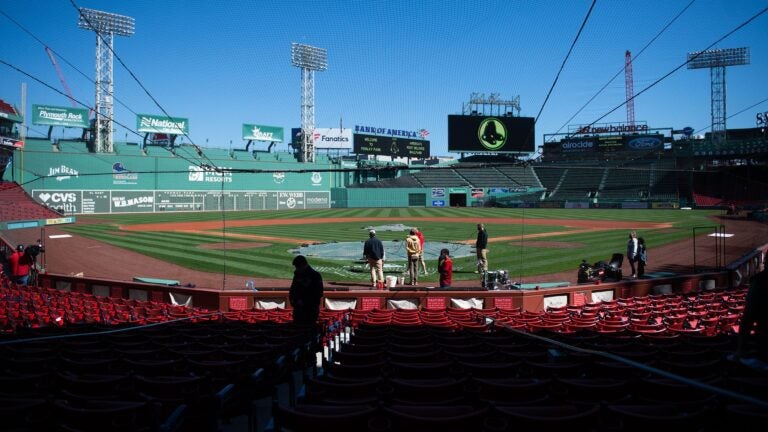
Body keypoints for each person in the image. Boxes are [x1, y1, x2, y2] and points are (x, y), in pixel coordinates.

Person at [288, 255, 324, 325]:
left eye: (297, 267)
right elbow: (292, 290)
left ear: (303, 265)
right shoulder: (298, 275)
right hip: (298, 311)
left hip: (310, 312)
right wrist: (293, 301)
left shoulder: (315, 276)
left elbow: (318, 294)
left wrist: (303, 302)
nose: (296, 269)